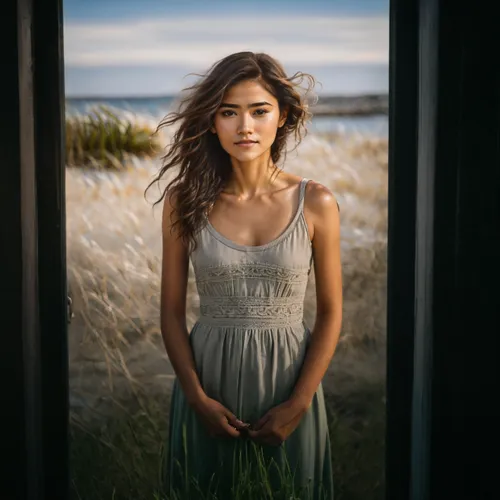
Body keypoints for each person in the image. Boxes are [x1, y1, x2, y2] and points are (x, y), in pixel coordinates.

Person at [145, 51, 342, 500]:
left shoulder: (317, 202)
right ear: (213, 121)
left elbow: (331, 313)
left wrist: (300, 402)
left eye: (259, 110)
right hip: (208, 380)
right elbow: (171, 313)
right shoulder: (185, 201)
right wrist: (196, 399)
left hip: (290, 380)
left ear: (283, 116)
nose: (245, 126)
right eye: (228, 112)